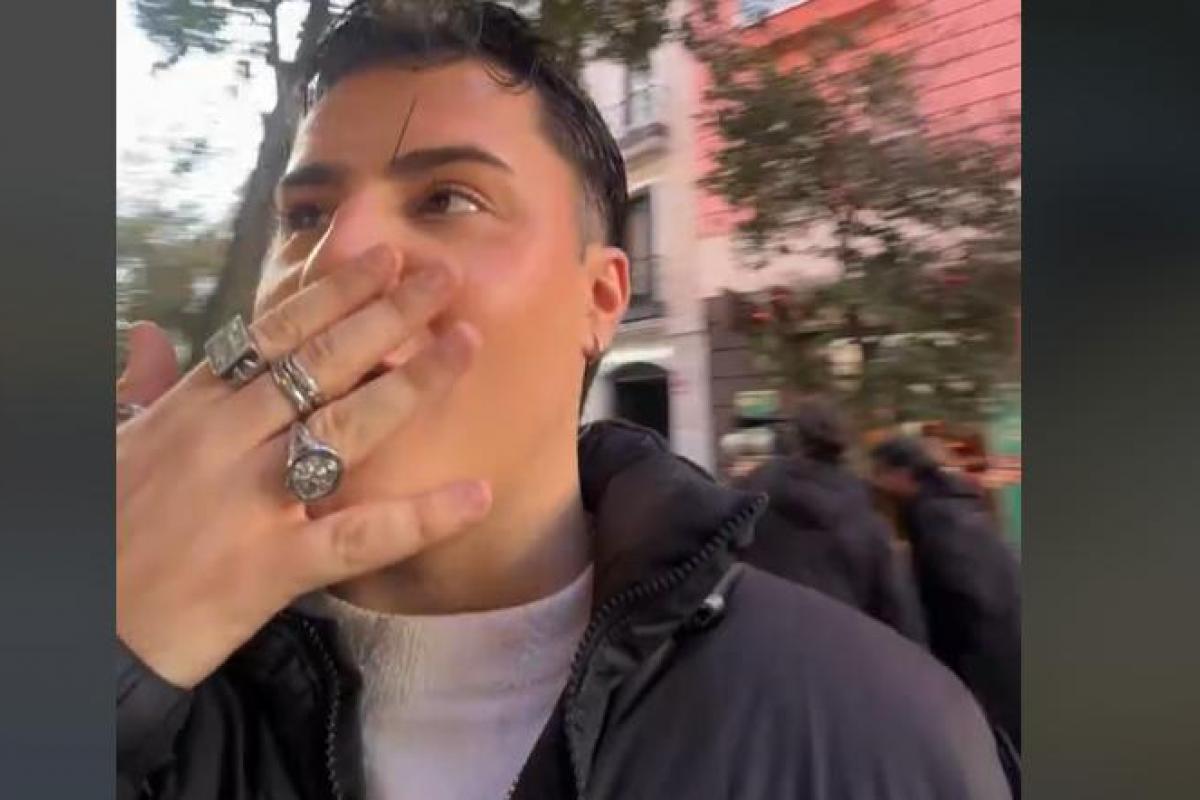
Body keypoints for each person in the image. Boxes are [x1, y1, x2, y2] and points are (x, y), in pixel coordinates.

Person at [116, 3, 1015, 798]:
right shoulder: (153, 672)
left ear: (601, 298)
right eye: (306, 214)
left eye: (446, 199)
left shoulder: (877, 730)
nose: (332, 256)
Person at [870, 437, 1022, 761]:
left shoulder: (934, 517)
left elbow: (971, 593)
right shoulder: (955, 504)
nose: (877, 483)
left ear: (902, 474)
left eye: (880, 473)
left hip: (987, 662)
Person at [736, 399, 928, 644]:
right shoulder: (866, 515)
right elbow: (898, 611)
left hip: (761, 645)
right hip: (843, 650)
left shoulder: (748, 499)